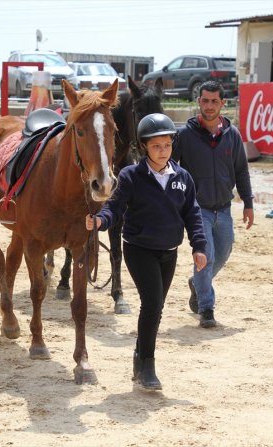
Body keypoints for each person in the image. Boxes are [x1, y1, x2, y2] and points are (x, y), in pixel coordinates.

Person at [85, 113, 207, 391]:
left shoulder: (183, 178)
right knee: (152, 304)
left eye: (167, 145)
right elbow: (114, 208)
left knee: (156, 308)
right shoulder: (130, 176)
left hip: (169, 252)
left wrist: (199, 246)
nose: (163, 152)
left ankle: (139, 358)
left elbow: (193, 214)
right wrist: (101, 220)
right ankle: (148, 367)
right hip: (139, 250)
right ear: (143, 148)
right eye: (156, 147)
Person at [172, 80, 254, 329]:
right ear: (198, 102)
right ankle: (207, 309)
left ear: (222, 103)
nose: (209, 106)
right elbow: (170, 168)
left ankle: (197, 283)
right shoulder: (184, 136)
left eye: (214, 101)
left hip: (225, 209)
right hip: (197, 210)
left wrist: (248, 203)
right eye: (205, 100)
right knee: (205, 257)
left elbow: (241, 170)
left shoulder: (233, 135)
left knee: (223, 254)